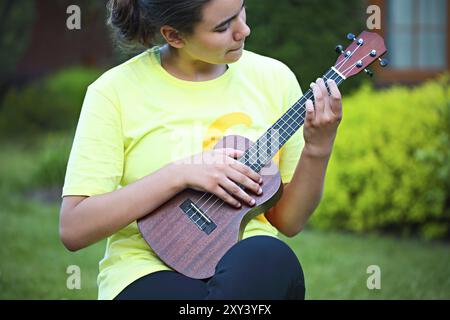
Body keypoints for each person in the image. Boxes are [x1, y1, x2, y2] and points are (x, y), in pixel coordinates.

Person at [59, 0, 343, 300]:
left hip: (247, 270)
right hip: (145, 270)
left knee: (270, 256)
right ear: (174, 36)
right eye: (223, 26)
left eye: (241, 10)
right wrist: (180, 174)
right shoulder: (113, 92)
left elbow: (289, 221)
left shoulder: (274, 79)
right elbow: (74, 228)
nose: (244, 29)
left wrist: (319, 147)